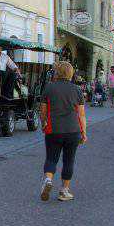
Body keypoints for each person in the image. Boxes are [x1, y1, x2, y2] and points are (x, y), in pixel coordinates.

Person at [39, 61, 87, 202]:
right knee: (69, 160)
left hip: (54, 129)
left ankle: (48, 180)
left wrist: (43, 124)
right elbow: (81, 114)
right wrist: (84, 132)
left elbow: (42, 111)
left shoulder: (49, 88)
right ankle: (64, 191)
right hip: (73, 130)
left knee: (51, 158)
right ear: (71, 73)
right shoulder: (77, 90)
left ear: (57, 73)